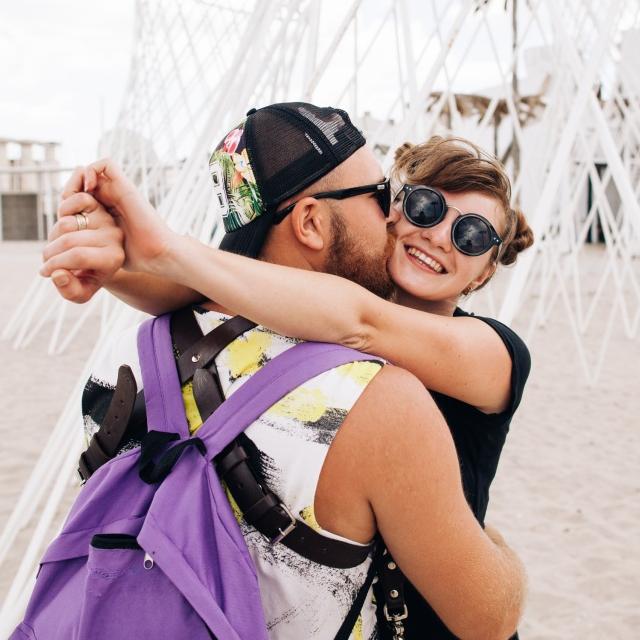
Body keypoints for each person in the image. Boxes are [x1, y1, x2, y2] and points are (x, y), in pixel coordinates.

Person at [42, 102, 526, 639]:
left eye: (473, 235)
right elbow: (237, 292)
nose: (436, 235)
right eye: (419, 205)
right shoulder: (337, 340)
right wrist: (120, 265)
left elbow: (355, 320)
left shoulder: (490, 350)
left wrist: (147, 257)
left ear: (485, 273)